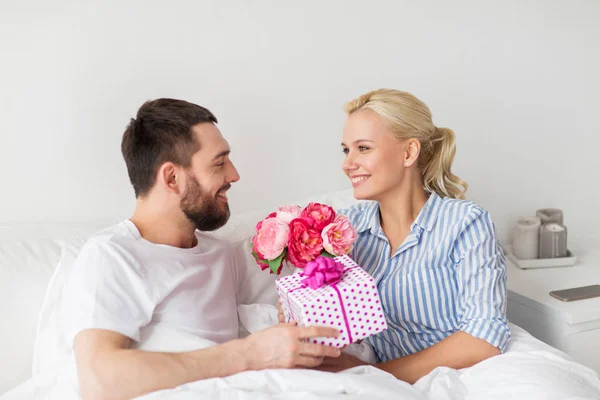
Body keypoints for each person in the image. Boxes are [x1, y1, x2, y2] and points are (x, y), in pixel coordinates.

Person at [60, 98, 341, 400]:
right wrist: (247, 354)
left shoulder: (221, 254)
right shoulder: (112, 255)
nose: (234, 175)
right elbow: (100, 380)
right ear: (172, 178)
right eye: (219, 163)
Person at [280, 88, 511, 383]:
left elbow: (484, 337)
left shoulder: (464, 222)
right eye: (346, 149)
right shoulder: (348, 230)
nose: (347, 163)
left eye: (363, 148)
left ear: (409, 152)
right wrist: (296, 310)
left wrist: (375, 376)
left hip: (450, 380)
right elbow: (332, 316)